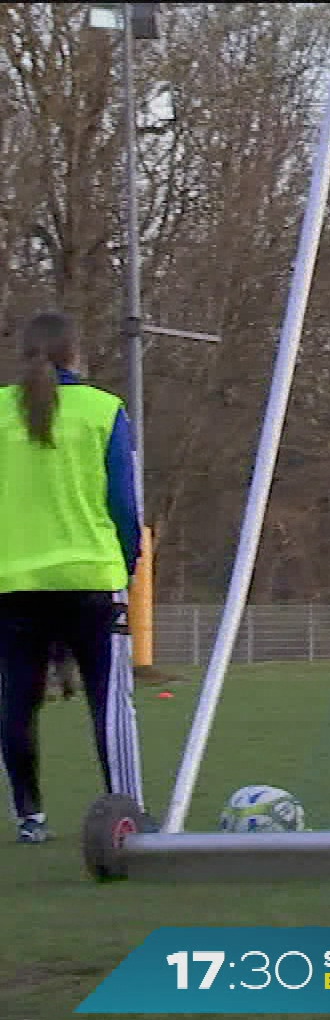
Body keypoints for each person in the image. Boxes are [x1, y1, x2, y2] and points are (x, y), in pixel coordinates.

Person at [0, 311, 145, 843]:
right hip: (91, 578)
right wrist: (127, 563)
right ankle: (126, 810)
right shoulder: (104, 410)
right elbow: (124, 505)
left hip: (13, 584)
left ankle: (29, 817)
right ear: (75, 354)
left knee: (18, 699)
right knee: (110, 701)